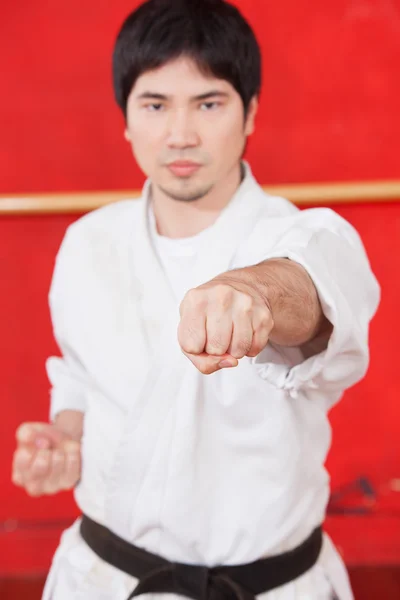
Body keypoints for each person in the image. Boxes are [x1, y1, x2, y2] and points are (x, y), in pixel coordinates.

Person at [12, 1, 380, 599]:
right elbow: (81, 380)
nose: (180, 134)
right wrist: (66, 440)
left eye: (209, 103)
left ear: (251, 111)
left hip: (270, 586)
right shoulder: (88, 243)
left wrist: (251, 291)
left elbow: (311, 291)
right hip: (103, 580)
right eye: (155, 105)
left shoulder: (305, 236)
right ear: (126, 118)